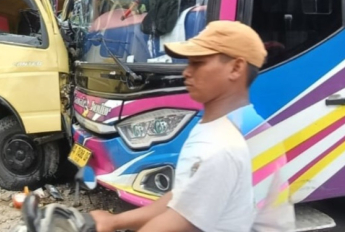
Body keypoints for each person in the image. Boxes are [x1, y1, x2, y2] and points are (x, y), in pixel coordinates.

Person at [91, 20, 288, 232]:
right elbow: (185, 196)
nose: (186, 72)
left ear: (236, 68)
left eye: (198, 63)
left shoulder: (230, 141)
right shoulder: (215, 124)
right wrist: (114, 222)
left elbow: (182, 221)